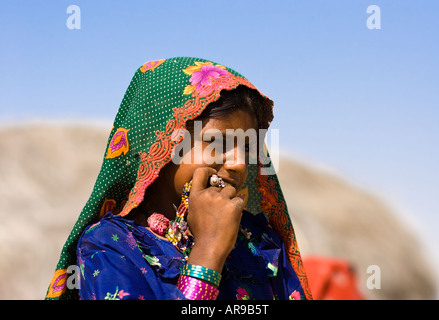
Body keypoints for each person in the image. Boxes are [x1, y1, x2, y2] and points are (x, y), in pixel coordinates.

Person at [45, 57, 312, 300]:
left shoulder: (260, 244)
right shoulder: (109, 246)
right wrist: (208, 251)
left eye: (246, 147)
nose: (238, 164)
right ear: (160, 145)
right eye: (217, 143)